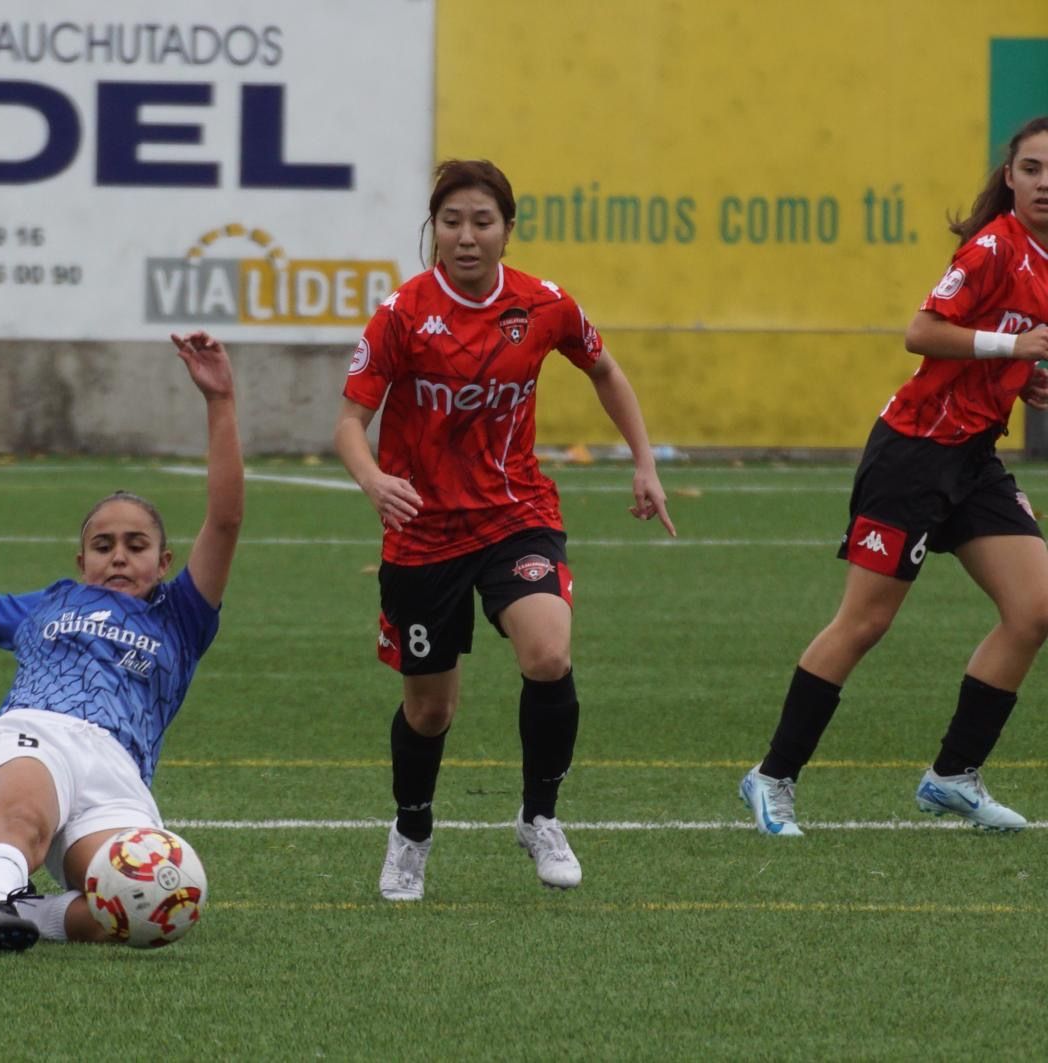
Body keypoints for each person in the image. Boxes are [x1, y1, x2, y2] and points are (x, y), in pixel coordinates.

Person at [334, 159, 676, 900]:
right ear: (434, 229)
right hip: (423, 533)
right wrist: (372, 479)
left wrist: (643, 462)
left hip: (516, 513)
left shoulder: (544, 304)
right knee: (431, 708)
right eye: (451, 221)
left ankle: (540, 817)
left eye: (482, 221)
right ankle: (412, 833)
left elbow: (606, 371)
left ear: (508, 230)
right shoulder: (401, 314)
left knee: (548, 654)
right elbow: (349, 424)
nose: (465, 236)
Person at [0, 330, 242, 951]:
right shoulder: (51, 604)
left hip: (118, 770)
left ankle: (7, 911)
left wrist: (220, 401)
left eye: (136, 546)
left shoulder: (181, 616)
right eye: (103, 545)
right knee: (22, 821)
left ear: (164, 561)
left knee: (148, 905)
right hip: (39, 732)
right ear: (82, 559)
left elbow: (225, 518)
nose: (118, 556)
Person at [740, 116, 1048, 836]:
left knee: (1035, 609)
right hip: (912, 454)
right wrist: (1013, 344)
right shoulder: (993, 246)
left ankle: (952, 776)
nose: (1045, 184)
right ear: (1010, 178)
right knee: (866, 621)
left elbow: (997, 347)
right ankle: (771, 777)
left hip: (973, 458)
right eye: (1032, 169)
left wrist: (1017, 374)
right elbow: (921, 331)